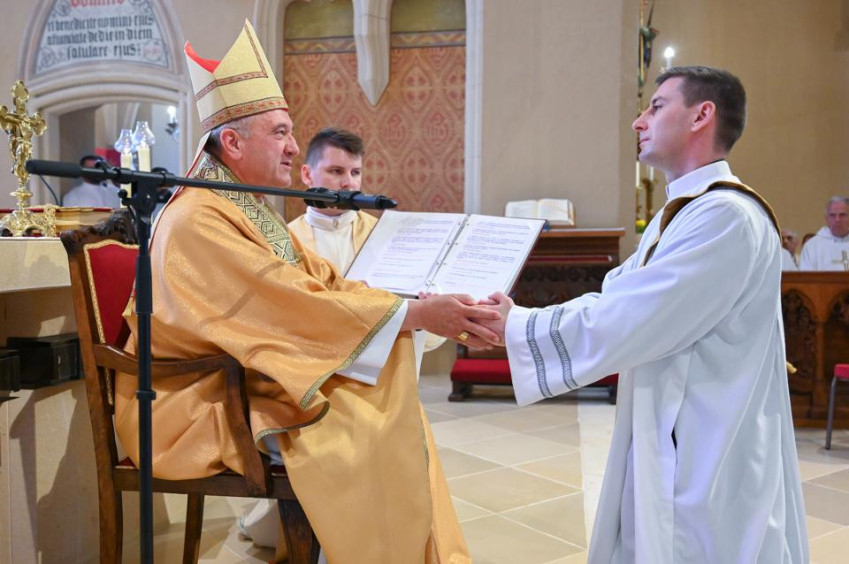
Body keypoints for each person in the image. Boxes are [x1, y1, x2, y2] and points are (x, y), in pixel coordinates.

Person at [113, 21, 493, 563]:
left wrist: (413, 308)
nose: (294, 147)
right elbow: (291, 304)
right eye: (280, 132)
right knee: (361, 418)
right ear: (232, 142)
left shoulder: (241, 204)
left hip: (236, 380)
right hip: (192, 403)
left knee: (385, 395)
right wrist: (414, 316)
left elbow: (317, 281)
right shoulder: (199, 216)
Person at [477, 66, 808, 562]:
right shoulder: (684, 212)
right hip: (675, 425)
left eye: (656, 106)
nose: (638, 121)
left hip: (710, 444)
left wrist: (520, 326)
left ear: (701, 115)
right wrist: (518, 319)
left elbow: (636, 315)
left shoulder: (727, 216)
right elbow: (619, 296)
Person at [798, 196, 849, 270]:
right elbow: (805, 275)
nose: (837, 219)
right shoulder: (812, 246)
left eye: (842, 215)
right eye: (832, 215)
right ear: (826, 218)